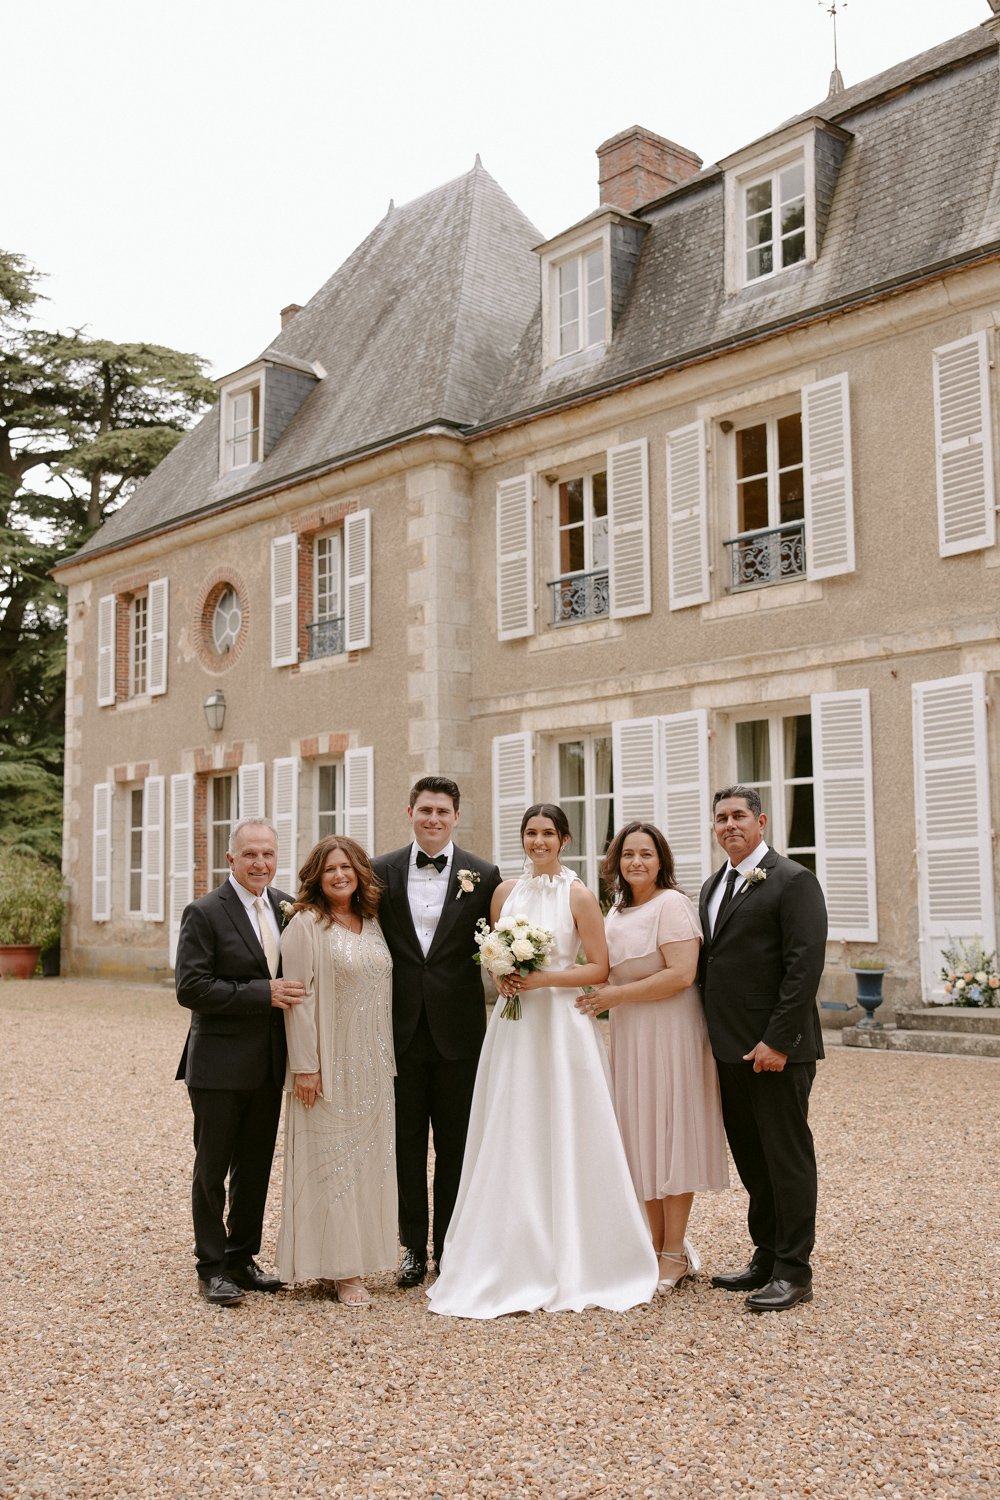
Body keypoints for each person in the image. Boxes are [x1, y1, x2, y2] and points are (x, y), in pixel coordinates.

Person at [427, 804, 658, 1318]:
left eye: (548, 833)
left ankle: (581, 1250)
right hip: (514, 1026)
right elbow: (492, 951)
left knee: (568, 1124)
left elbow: (599, 967)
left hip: (561, 1026)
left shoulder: (579, 895)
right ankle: (507, 1246)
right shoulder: (505, 892)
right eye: (530, 833)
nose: (538, 841)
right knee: (512, 1124)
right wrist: (502, 975)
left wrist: (544, 979)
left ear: (565, 838)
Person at [577, 821, 728, 1294]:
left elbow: (681, 975)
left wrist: (615, 997)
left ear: (661, 860)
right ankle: (657, 1244)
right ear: (615, 862)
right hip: (630, 1034)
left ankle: (672, 1250)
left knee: (671, 1133)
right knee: (640, 1135)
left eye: (645, 854)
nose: (635, 862)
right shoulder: (616, 912)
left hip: (673, 1032)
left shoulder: (673, 905)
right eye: (627, 855)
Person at [698, 785, 828, 1312]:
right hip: (727, 1049)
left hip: (775, 1050)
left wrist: (777, 1040)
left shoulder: (794, 881)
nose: (729, 825)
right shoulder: (713, 885)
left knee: (786, 1157)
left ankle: (795, 1271)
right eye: (721, 818)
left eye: (738, 816)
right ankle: (767, 1254)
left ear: (761, 821)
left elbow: (804, 967)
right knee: (753, 1159)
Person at [373, 776, 501, 1288]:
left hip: (459, 1033)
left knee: (454, 1145)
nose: (433, 819)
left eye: (442, 811)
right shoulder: (379, 871)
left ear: (455, 816)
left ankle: (449, 1247)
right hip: (397, 1028)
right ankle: (410, 1248)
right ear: (410, 812)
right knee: (405, 1143)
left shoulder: (484, 874)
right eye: (425, 810)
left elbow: (500, 941)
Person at [175, 819, 305, 1306]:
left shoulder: (286, 907)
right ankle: (211, 1268)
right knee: (212, 1170)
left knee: (253, 1168)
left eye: (268, 854)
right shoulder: (205, 912)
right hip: (218, 1064)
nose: (260, 863)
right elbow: (191, 988)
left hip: (270, 1064)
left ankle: (242, 1257)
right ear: (230, 859)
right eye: (250, 854)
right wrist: (262, 992)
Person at [276, 835, 396, 1306]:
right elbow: (297, 1000)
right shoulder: (305, 925)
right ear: (317, 878)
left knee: (367, 1164)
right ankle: (342, 1273)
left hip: (373, 1064)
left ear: (360, 872)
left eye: (346, 867)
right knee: (333, 1165)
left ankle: (351, 1259)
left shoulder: (373, 922)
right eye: (330, 870)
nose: (339, 875)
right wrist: (306, 1067)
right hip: (329, 1065)